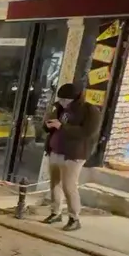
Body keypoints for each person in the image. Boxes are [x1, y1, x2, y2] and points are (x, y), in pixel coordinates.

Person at [42, 83, 103, 231]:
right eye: (61, 99)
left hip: (73, 154)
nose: (63, 102)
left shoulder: (90, 111)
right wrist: (47, 125)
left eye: (66, 100)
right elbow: (49, 125)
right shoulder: (59, 108)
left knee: (69, 186)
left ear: (75, 99)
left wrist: (62, 127)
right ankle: (55, 212)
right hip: (55, 150)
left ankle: (74, 218)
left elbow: (87, 132)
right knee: (54, 184)